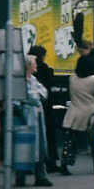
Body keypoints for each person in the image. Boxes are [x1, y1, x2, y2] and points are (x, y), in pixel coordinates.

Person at [61, 44, 94, 174]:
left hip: (73, 113)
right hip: (90, 113)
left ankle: (65, 163)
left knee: (69, 142)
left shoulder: (72, 78)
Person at [15, 55, 53, 187]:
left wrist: (33, 97)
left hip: (37, 116)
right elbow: (24, 97)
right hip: (25, 117)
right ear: (28, 66)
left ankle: (41, 176)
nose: (36, 65)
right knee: (22, 147)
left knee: (40, 146)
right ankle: (20, 177)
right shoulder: (19, 81)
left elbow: (44, 93)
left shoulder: (33, 79)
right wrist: (33, 97)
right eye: (34, 63)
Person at [29, 45, 59, 173]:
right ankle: (50, 162)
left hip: (33, 111)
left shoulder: (30, 73)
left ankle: (32, 164)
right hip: (46, 108)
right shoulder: (45, 69)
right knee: (48, 136)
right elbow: (48, 88)